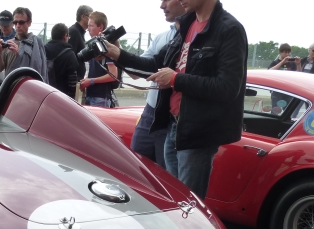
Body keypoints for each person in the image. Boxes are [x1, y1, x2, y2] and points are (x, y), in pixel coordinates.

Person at [103, 0, 247, 199]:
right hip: (173, 126)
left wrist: (175, 79)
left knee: (189, 206)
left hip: (197, 134)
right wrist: (115, 53)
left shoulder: (229, 29)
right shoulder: (186, 25)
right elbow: (155, 64)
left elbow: (228, 87)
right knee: (174, 200)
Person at [130, 0, 184, 167]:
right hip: (149, 114)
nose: (162, 6)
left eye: (166, 0)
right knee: (137, 169)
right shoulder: (162, 38)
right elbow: (134, 72)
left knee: (166, 179)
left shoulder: (194, 38)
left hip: (171, 119)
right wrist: (114, 53)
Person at [0, 7, 48, 82]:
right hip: (11, 87)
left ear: (29, 23)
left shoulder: (36, 43)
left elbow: (40, 70)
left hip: (29, 87)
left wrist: (19, 55)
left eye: (21, 22)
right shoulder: (9, 43)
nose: (18, 25)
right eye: (15, 22)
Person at [78, 11, 117, 107]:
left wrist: (91, 81)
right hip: (92, 95)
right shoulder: (94, 46)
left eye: (91, 26)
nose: (88, 29)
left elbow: (113, 75)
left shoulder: (108, 47)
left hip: (101, 98)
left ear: (100, 27)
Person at [45, 23, 78, 98]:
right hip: (62, 96)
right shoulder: (70, 54)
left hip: (45, 93)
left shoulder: (43, 49)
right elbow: (72, 81)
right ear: (65, 36)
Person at [0, 10, 15, 95]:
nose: (4, 27)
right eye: (2, 24)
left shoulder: (17, 39)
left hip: (10, 81)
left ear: (12, 24)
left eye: (7, 24)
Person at [68, 5, 92, 81]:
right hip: (74, 78)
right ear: (83, 17)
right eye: (90, 18)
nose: (92, 20)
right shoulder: (74, 31)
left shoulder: (79, 32)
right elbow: (71, 56)